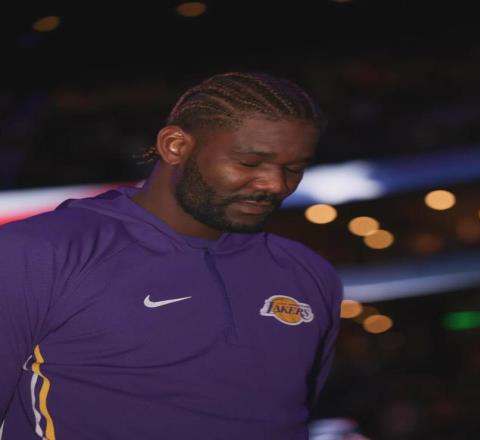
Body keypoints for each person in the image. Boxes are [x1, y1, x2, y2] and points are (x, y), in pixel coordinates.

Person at [0, 72, 343, 439]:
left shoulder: (309, 274)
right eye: (249, 163)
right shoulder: (39, 252)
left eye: (294, 168)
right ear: (175, 145)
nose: (275, 184)